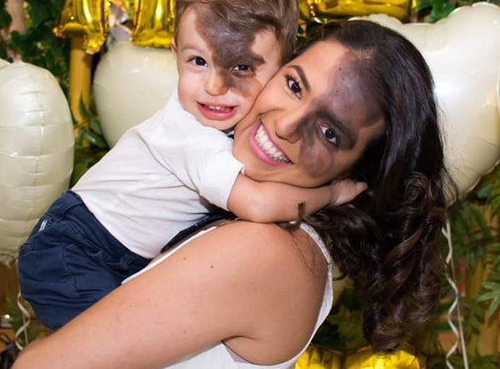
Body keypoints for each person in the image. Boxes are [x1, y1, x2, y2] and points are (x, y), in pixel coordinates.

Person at [13, 20, 454, 369]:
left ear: (357, 173)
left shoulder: (267, 249)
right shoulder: (255, 215)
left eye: (329, 133)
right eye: (294, 85)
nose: (286, 124)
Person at [17, 0, 365, 330]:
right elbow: (259, 204)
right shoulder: (188, 135)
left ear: (281, 69)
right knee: (114, 343)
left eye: (242, 67)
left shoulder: (236, 131)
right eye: (198, 61)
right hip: (75, 249)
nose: (214, 87)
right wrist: (332, 193)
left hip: (113, 254)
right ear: (176, 55)